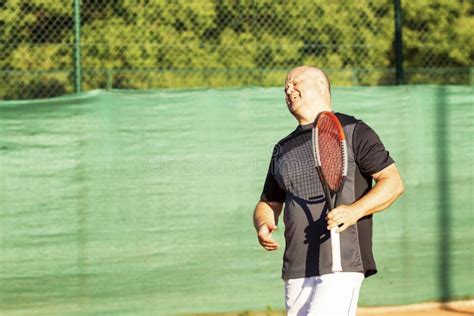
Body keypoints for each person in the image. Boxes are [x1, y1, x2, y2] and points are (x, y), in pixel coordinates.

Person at [253, 66, 404, 316]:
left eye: (295, 82)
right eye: (285, 87)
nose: (288, 89)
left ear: (321, 84)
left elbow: (393, 182)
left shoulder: (354, 130)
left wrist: (354, 211)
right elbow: (269, 202)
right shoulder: (282, 148)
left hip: (341, 262)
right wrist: (263, 223)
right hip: (296, 268)